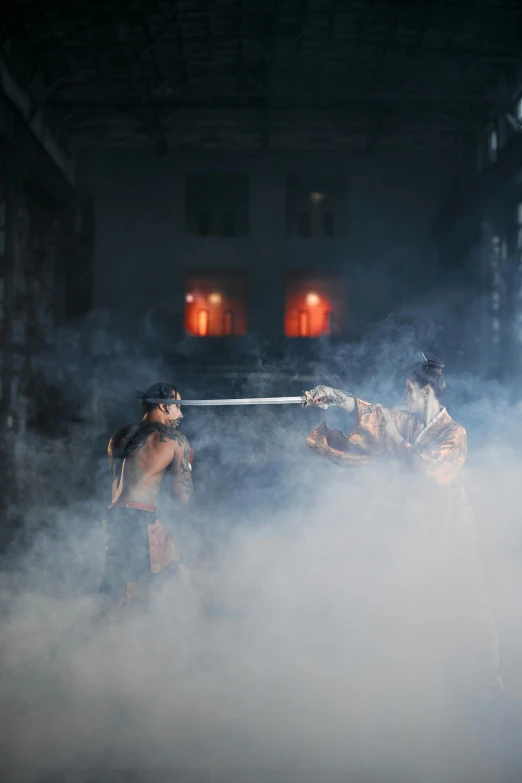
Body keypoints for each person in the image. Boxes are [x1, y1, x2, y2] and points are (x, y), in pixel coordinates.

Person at [302, 358, 503, 699]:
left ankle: (489, 680)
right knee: (412, 597)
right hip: (416, 524)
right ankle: (418, 677)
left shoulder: (455, 433)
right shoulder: (408, 423)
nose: (404, 395)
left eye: (409, 390)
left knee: (468, 601)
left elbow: (428, 473)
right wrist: (335, 396)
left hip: (451, 527)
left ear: (426, 392)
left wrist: (395, 440)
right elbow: (373, 414)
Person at [98, 382, 193, 622]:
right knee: (121, 599)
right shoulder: (175, 440)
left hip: (121, 517)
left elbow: (125, 482)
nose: (181, 413)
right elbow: (181, 498)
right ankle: (71, 651)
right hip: (137, 520)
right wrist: (187, 465)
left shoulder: (119, 435)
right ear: (164, 405)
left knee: (178, 573)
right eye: (177, 406)